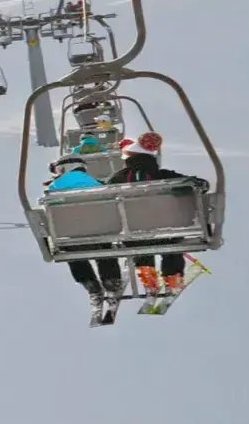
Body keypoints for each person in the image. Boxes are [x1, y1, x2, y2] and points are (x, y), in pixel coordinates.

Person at [115, 131, 198, 296]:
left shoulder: (119, 178)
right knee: (172, 244)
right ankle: (173, 279)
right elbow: (193, 185)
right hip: (166, 230)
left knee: (138, 244)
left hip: (134, 233)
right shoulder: (165, 176)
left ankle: (149, 280)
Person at [47, 155, 125, 318]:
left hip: (71, 236)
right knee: (104, 246)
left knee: (71, 252)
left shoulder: (55, 187)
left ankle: (90, 284)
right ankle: (111, 280)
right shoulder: (95, 183)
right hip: (99, 232)